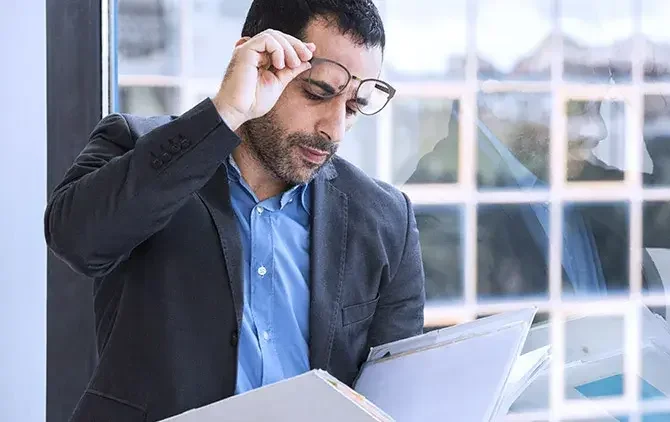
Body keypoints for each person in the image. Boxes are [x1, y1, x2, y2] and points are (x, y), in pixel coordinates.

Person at [44, 1, 425, 420]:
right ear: (259, 61)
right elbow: (76, 239)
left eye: (353, 107)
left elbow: (396, 399)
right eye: (318, 92)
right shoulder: (139, 148)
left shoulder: (387, 220)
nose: (334, 130)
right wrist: (226, 112)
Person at [407, 92, 670, 303]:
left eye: (598, 105)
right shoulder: (433, 218)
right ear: (495, 101)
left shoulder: (568, 172)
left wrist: (664, 110)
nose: (599, 130)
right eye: (576, 106)